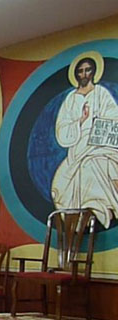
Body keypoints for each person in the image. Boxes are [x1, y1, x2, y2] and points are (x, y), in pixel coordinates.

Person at [52, 54, 118, 228]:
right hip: (78, 148)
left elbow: (114, 119)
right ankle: (86, 214)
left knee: (96, 163)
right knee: (64, 181)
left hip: (100, 145)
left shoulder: (101, 93)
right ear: (76, 74)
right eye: (80, 71)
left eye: (87, 70)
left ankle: (100, 208)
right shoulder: (71, 99)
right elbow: (62, 129)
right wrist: (80, 121)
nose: (84, 74)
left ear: (93, 72)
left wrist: (97, 125)